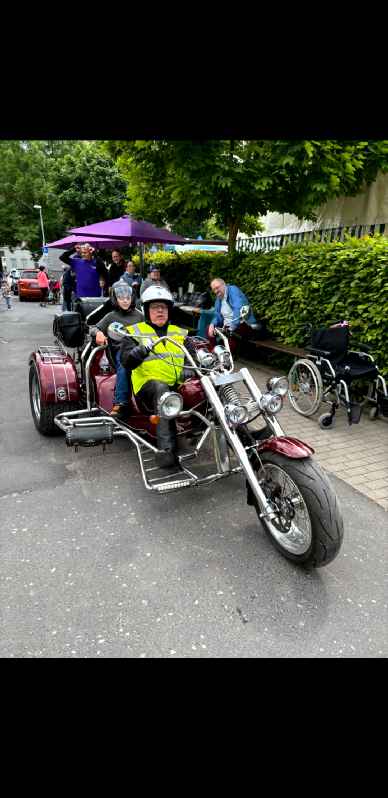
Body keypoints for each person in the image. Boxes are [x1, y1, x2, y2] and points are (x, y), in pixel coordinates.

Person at [120, 286, 190, 468]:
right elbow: (126, 361)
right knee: (162, 389)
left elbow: (193, 356)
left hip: (178, 384)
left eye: (164, 307)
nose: (160, 311)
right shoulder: (134, 331)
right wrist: (140, 350)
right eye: (155, 307)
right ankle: (167, 452)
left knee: (212, 381)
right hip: (148, 387)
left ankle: (244, 435)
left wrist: (193, 369)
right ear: (145, 310)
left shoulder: (179, 332)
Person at [91, 281, 140, 420]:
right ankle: (121, 403)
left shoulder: (139, 315)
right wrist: (98, 333)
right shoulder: (111, 316)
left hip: (139, 347)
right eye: (121, 298)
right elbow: (94, 328)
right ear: (115, 299)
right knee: (125, 366)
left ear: (132, 298)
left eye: (127, 297)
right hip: (120, 350)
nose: (125, 300)